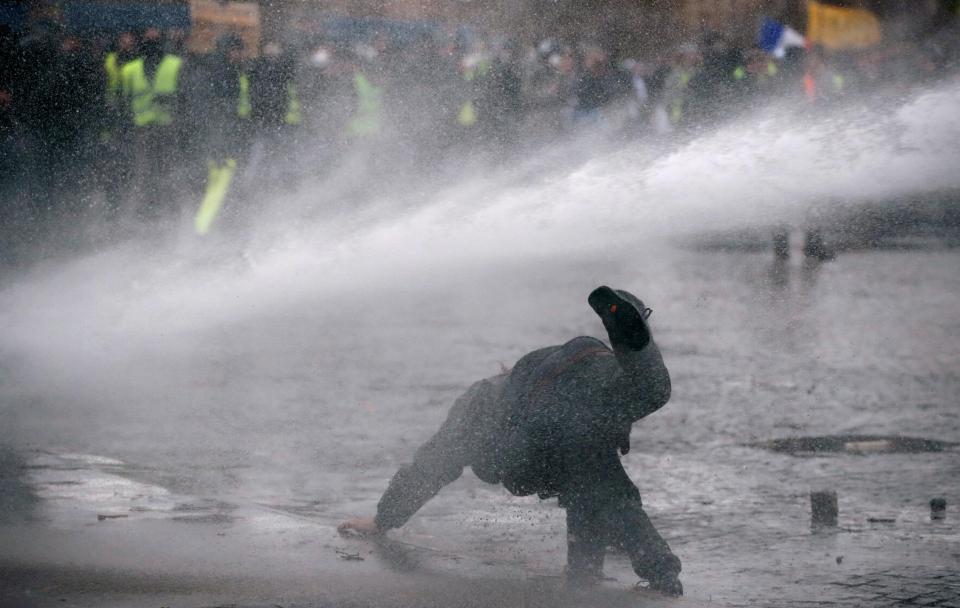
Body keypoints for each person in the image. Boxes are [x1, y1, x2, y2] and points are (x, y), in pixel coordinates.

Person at [339, 286, 683, 596]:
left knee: (592, 472)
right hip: (587, 374)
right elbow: (600, 498)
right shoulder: (554, 406)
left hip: (550, 411)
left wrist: (382, 520)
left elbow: (434, 463)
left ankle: (633, 351)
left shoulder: (482, 401)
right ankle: (636, 350)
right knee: (614, 438)